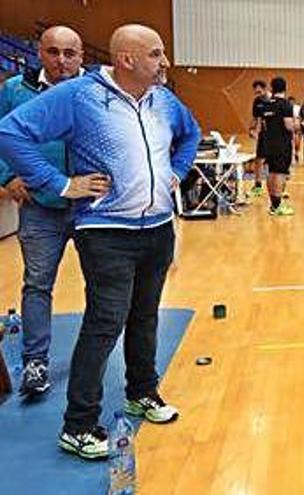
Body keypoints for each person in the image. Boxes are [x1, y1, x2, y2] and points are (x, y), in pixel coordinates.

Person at [0, 24, 201, 460]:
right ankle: (78, 425)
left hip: (157, 227)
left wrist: (175, 173)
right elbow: (11, 132)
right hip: (106, 231)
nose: (164, 61)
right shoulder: (81, 95)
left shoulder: (164, 100)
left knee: (146, 315)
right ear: (127, 58)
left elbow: (192, 134)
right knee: (105, 322)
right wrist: (58, 183)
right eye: (156, 53)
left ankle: (142, 392)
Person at [0, 25, 84, 397]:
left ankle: (99, 356)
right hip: (40, 207)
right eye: (53, 52)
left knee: (105, 285)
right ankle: (36, 362)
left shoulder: (98, 91)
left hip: (91, 208)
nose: (61, 60)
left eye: (70, 53)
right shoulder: (14, 90)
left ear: (81, 56)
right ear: (39, 53)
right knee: (37, 285)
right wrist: (7, 176)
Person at [262, 77, 295, 215]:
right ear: (285, 88)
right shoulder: (286, 104)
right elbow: (288, 126)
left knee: (271, 172)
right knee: (280, 173)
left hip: (268, 143)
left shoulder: (267, 105)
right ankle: (278, 206)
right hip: (282, 144)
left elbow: (264, 124)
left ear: (272, 88)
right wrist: (298, 125)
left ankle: (273, 204)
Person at [249, 80, 270, 196]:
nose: (257, 93)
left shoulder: (272, 100)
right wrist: (253, 130)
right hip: (262, 134)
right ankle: (257, 185)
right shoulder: (257, 101)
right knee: (259, 159)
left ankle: (279, 188)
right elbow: (256, 118)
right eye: (255, 91)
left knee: (273, 161)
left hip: (273, 134)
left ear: (264, 88)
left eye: (258, 90)